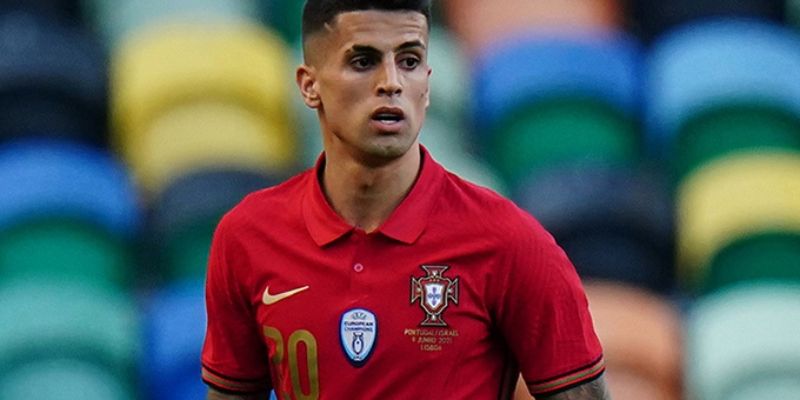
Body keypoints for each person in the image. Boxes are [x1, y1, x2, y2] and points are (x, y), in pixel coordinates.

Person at [201, 1, 610, 399]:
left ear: (427, 85)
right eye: (363, 61)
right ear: (310, 86)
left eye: (409, 61)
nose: (391, 82)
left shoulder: (509, 241)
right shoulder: (247, 236)